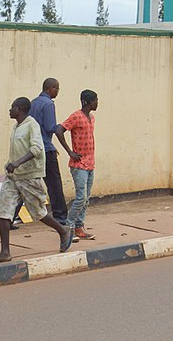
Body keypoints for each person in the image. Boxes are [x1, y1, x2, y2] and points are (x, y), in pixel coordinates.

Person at [0, 97, 72, 263]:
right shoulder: (17, 126)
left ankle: (63, 231)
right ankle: (5, 252)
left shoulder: (32, 125)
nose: (10, 110)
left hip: (29, 176)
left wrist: (17, 163)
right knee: (4, 212)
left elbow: (37, 149)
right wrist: (12, 165)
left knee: (38, 212)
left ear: (19, 109)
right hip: (13, 177)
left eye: (12, 107)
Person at [14, 77, 69, 227]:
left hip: (31, 150)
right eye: (57, 88)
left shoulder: (33, 103)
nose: (58, 91)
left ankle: (10, 216)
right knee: (54, 185)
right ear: (50, 88)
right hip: (45, 149)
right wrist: (63, 127)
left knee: (26, 182)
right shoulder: (48, 104)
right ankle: (60, 217)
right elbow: (50, 127)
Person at [58, 89, 98, 242]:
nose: (97, 103)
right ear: (87, 102)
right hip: (79, 164)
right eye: (95, 101)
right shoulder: (76, 116)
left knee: (86, 199)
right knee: (81, 198)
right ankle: (68, 227)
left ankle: (79, 227)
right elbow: (59, 131)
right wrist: (70, 152)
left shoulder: (91, 118)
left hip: (90, 163)